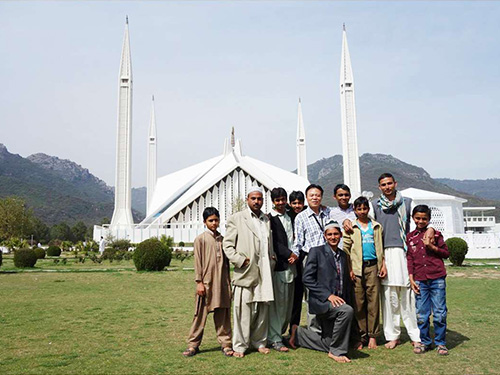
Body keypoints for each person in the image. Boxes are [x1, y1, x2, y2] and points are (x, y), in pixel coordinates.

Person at [371, 173, 425, 349]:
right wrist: (382, 261)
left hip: (405, 252)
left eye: (389, 183)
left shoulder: (408, 202)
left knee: (408, 297)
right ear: (379, 187)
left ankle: (414, 334)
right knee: (389, 297)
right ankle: (392, 335)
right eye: (383, 185)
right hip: (385, 254)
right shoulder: (375, 206)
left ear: (395, 183)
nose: (387, 187)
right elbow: (372, 233)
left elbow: (421, 222)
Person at [289, 221, 354, 363]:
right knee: (347, 311)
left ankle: (299, 334)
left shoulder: (343, 255)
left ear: (341, 235)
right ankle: (336, 352)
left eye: (336, 234)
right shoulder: (316, 252)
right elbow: (307, 278)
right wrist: (328, 296)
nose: (333, 237)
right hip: (322, 302)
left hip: (338, 303)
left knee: (328, 342)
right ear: (324, 236)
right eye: (329, 234)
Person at [223, 186, 275, 358]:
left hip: (265, 270)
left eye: (259, 199)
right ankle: (240, 345)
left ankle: (259, 342)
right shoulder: (237, 218)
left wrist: (272, 258)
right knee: (243, 310)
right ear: (247, 199)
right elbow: (227, 245)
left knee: (262, 309)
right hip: (246, 271)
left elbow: (269, 244)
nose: (256, 201)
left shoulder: (266, 219)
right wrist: (239, 260)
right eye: (253, 198)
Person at [183, 207, 233, 357]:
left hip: (222, 283)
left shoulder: (223, 240)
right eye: (211, 220)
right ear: (204, 222)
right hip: (206, 283)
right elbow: (198, 261)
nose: (214, 223)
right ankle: (193, 345)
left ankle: (226, 344)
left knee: (223, 314)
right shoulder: (201, 239)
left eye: (216, 220)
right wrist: (199, 282)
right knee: (199, 315)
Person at [343, 196, 386, 349]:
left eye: (364, 208)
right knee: (358, 303)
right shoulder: (351, 227)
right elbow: (346, 250)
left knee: (373, 302)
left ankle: (373, 335)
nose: (362, 211)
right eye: (359, 209)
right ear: (354, 210)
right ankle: (361, 336)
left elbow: (381, 247)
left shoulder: (376, 226)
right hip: (356, 268)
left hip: (373, 266)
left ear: (368, 209)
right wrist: (349, 269)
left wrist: (383, 265)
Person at [407, 205, 450, 356]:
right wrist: (411, 279)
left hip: (436, 278)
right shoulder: (410, 237)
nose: (421, 221)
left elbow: (446, 253)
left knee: (439, 313)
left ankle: (440, 343)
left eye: (424, 218)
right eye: (418, 218)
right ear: (413, 218)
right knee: (422, 314)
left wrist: (431, 246)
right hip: (420, 280)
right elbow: (410, 259)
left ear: (429, 219)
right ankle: (425, 342)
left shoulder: (436, 235)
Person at [293, 184, 331, 331]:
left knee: (328, 291)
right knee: (311, 294)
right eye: (311, 195)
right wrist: (294, 255)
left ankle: (328, 327)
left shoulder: (328, 212)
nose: (315, 197)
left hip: (327, 256)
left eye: (317, 195)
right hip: (310, 257)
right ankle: (314, 330)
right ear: (307, 198)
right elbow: (298, 242)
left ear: (321, 197)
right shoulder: (301, 217)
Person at [267, 187, 298, 352]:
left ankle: (281, 334)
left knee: (288, 306)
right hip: (281, 266)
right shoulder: (270, 219)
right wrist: (289, 254)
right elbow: (275, 243)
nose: (280, 203)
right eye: (277, 200)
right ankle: (275, 338)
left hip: (293, 266)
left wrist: (296, 254)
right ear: (273, 201)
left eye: (282, 199)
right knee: (279, 305)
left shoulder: (290, 215)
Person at [288, 190, 306, 332]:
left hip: (305, 259)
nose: (297, 205)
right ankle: (292, 328)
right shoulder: (287, 216)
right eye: (294, 203)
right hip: (291, 260)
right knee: (294, 298)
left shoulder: (307, 215)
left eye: (299, 203)